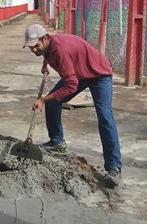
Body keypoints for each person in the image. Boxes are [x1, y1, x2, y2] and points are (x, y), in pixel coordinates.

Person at [23, 24, 122, 187]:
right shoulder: (49, 46)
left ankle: (114, 167)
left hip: (99, 74)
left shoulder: (60, 51)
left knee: (105, 116)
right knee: (54, 101)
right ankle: (56, 142)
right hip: (78, 73)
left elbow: (71, 85)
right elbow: (48, 52)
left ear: (45, 38)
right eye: (30, 47)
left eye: (36, 46)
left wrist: (43, 100)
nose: (34, 50)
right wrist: (45, 63)